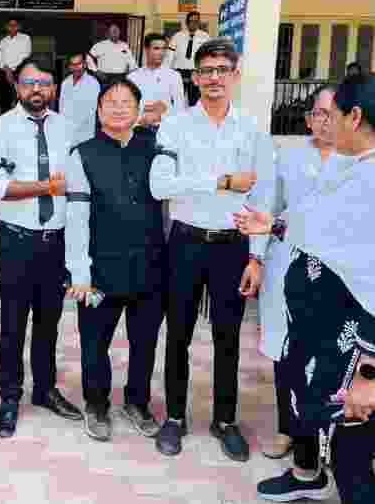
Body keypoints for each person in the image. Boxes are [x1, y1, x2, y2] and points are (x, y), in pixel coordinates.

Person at [234, 75, 375, 504]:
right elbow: (314, 216)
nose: (325, 124)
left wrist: (369, 372)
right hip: (322, 334)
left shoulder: (369, 178)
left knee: (352, 453)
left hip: (357, 349)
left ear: (354, 117)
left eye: (333, 115)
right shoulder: (351, 165)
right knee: (324, 426)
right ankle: (308, 474)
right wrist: (273, 226)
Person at [149, 38, 273, 462]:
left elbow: (262, 196)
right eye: (206, 71)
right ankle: (174, 417)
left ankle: (225, 420)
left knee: (228, 337)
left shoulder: (252, 128)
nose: (214, 78)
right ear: (195, 77)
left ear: (235, 75)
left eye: (222, 70)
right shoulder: (175, 125)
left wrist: (257, 256)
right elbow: (160, 185)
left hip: (232, 247)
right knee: (178, 334)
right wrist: (221, 182)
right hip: (185, 242)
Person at [0, 56, 83, 439]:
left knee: (48, 323)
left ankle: (44, 389)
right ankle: (10, 395)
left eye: (43, 82)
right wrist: (45, 187)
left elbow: (77, 184)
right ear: (17, 86)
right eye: (29, 82)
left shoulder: (68, 129)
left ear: (54, 88)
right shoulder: (0, 128)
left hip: (55, 242)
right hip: (17, 241)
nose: (36, 89)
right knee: (13, 323)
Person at [65, 78, 165, 442]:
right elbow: (76, 216)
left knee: (145, 342)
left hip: (150, 266)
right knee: (95, 343)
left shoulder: (156, 148)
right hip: (99, 270)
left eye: (127, 102)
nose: (119, 108)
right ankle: (96, 403)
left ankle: (137, 402)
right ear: (98, 109)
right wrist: (79, 271)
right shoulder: (83, 154)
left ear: (138, 110)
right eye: (111, 101)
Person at [250, 87, 336, 501]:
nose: (325, 121)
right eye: (318, 113)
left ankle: (326, 440)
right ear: (307, 119)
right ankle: (290, 429)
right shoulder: (288, 156)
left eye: (333, 113)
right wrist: (256, 257)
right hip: (288, 266)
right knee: (286, 351)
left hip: (337, 275)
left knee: (332, 358)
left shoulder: (359, 161)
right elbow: (266, 208)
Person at [128, 33, 187, 127]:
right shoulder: (133, 77)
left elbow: (180, 108)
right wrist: (142, 118)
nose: (161, 53)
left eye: (164, 49)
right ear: (146, 50)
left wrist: (160, 117)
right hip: (138, 127)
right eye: (156, 48)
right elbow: (128, 107)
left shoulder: (174, 76)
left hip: (166, 127)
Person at [165, 11, 210, 106]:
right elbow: (169, 55)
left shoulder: (205, 37)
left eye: (196, 21)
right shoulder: (177, 36)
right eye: (191, 21)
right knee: (176, 99)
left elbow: (208, 56)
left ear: (199, 22)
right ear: (187, 22)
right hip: (179, 72)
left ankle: (193, 115)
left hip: (196, 72)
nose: (193, 23)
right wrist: (167, 71)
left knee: (194, 101)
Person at [58, 52, 101, 147]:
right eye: (73, 64)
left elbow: (91, 110)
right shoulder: (65, 83)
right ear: (69, 66)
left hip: (84, 134)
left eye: (79, 64)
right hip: (66, 133)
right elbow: (61, 107)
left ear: (85, 64)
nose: (76, 67)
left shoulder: (93, 83)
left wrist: (72, 126)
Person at [0, 18, 32, 113]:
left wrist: (11, 69)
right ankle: (5, 117)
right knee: (4, 100)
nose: (12, 27)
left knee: (21, 98)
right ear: (6, 27)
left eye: (15, 25)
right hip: (4, 71)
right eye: (10, 25)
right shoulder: (3, 41)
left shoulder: (25, 38)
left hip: (20, 71)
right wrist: (7, 69)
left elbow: (26, 54)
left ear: (19, 27)